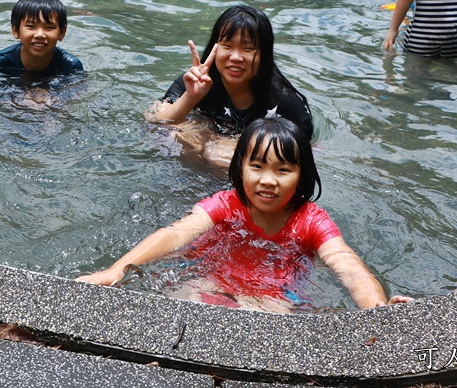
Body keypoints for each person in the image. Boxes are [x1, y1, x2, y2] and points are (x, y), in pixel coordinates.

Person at [77, 116, 412, 311]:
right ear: (240, 169)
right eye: (256, 166)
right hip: (208, 282)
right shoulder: (228, 204)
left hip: (273, 299)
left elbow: (349, 267)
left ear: (301, 176)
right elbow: (178, 233)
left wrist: (377, 313)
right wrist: (115, 271)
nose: (267, 180)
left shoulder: (311, 220)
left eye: (283, 170)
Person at [147, 5, 312, 167]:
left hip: (241, 170)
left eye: (248, 48)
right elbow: (155, 121)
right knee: (170, 136)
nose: (236, 57)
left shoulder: (285, 103)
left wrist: (236, 146)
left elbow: (301, 156)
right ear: (215, 48)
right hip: (198, 154)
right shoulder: (195, 81)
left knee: (218, 154)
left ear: (264, 55)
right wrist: (191, 97)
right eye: (227, 46)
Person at [0, 0, 83, 75]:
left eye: (49, 27)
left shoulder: (71, 66)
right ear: (15, 30)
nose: (40, 34)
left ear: (62, 32)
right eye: (31, 27)